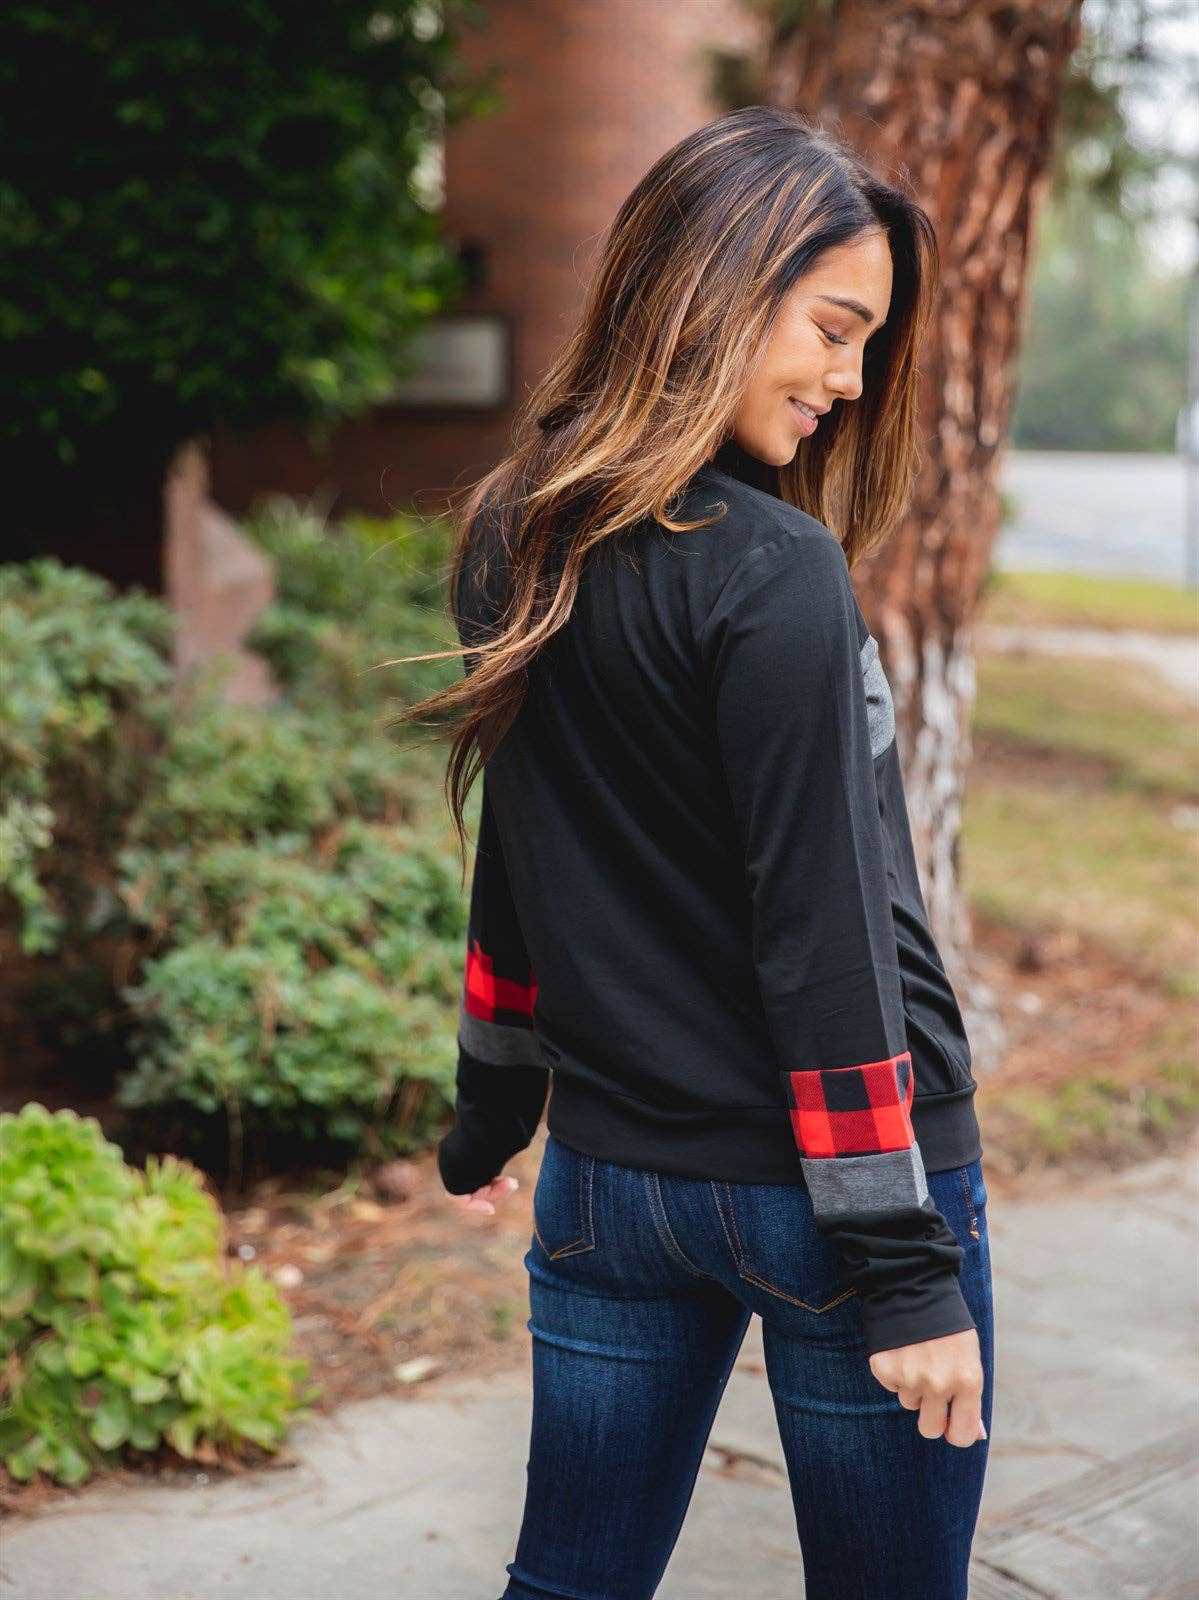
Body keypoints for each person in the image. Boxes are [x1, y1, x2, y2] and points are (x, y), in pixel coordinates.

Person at [394, 103, 994, 1600]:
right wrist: (908, 1270)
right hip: (833, 1204)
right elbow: (828, 935)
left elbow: (514, 857)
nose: (852, 385)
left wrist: (491, 1104)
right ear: (718, 286)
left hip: (610, 1190)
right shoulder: (777, 575)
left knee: (570, 1585)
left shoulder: (510, 533)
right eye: (835, 330)